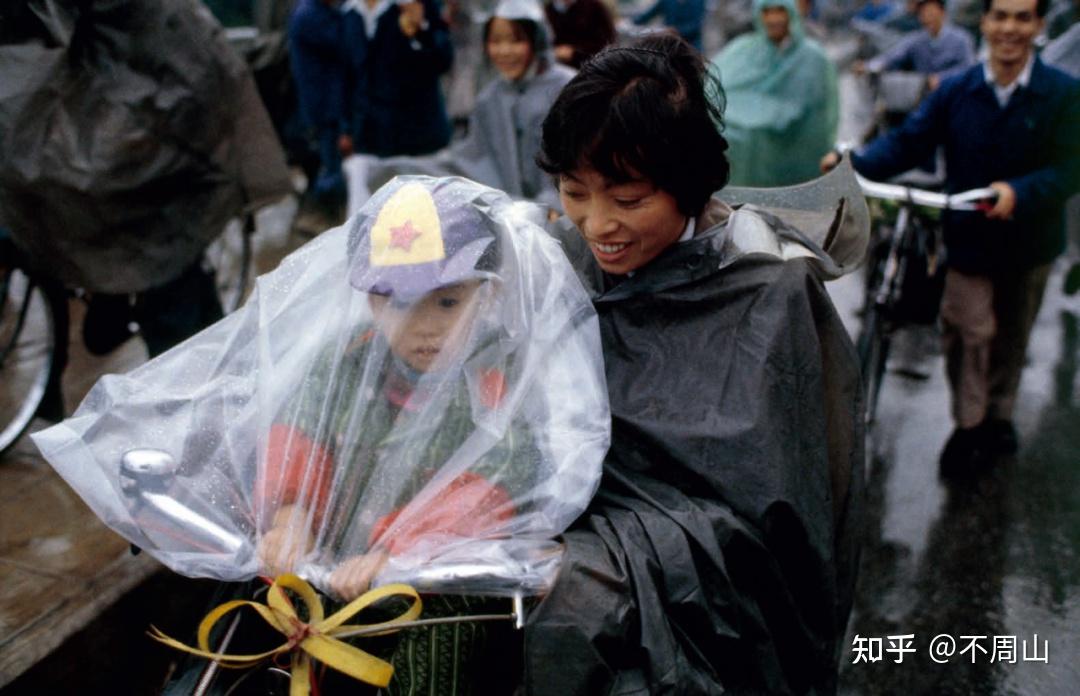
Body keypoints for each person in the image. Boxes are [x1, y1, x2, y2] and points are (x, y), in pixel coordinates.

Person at [526, 33, 864, 695]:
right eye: (574, 192)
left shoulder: (771, 295)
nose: (597, 226)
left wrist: (600, 563)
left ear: (688, 185)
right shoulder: (557, 259)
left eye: (628, 200)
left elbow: (774, 532)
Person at [822, 0, 1080, 474]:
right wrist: (852, 167)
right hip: (967, 240)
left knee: (1011, 336)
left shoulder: (1063, 94)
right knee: (966, 329)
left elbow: (1070, 167)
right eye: (1000, 15)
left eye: (1022, 18)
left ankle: (1000, 415)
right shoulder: (958, 91)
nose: (1009, 28)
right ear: (984, 22)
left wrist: (1019, 192)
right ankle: (970, 423)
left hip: (1031, 243)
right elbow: (908, 142)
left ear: (1039, 25)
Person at [363, 0, 576, 210]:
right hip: (517, 220)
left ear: (536, 40)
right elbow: (471, 160)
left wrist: (554, 204)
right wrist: (402, 171)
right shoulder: (490, 99)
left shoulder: (567, 90)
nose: (505, 51)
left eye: (516, 40)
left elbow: (577, 162)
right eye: (495, 41)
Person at [710, 0, 839, 186]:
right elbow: (714, 87)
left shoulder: (813, 58)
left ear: (791, 13)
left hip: (793, 146)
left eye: (780, 10)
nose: (773, 19)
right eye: (766, 11)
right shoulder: (743, 49)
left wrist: (770, 118)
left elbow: (819, 116)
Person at [341, 0, 455, 156]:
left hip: (421, 140)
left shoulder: (418, 4)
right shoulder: (348, 11)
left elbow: (443, 60)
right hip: (371, 141)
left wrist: (421, 28)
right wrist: (346, 128)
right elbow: (347, 77)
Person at [288, 0, 350, 220]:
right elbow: (345, 42)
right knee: (333, 168)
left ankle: (319, 212)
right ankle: (316, 214)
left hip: (326, 105)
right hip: (325, 107)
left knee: (332, 164)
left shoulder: (318, 11)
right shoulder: (310, 15)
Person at [857, 0, 976, 90]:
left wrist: (942, 78)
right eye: (922, 13)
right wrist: (869, 66)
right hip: (924, 95)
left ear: (942, 12)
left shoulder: (961, 38)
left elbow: (968, 68)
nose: (926, 16)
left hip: (953, 93)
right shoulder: (917, 40)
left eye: (930, 12)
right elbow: (893, 56)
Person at [543, 0, 617, 68]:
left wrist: (575, 52)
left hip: (590, 68)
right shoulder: (548, 10)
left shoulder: (593, 6)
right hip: (558, 67)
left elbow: (607, 40)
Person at [632, 0, 709, 50]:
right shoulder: (667, 1)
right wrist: (631, 22)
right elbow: (648, 15)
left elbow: (696, 25)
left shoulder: (698, 1)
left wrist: (675, 30)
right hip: (670, 45)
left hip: (692, 46)